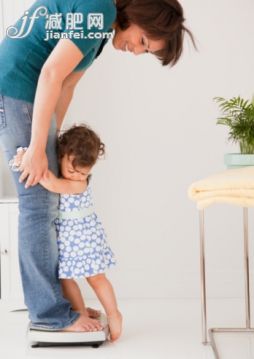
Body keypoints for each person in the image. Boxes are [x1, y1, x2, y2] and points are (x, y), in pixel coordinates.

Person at [0, 0, 195, 332]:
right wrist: (36, 147)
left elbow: (66, 85)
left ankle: (58, 306)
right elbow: (50, 73)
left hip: (24, 90)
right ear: (136, 16)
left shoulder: (101, 29)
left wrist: (51, 145)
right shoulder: (100, 9)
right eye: (144, 42)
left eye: (145, 52)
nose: (136, 51)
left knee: (46, 198)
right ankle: (50, 314)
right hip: (18, 87)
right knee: (37, 201)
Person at [12, 124, 122, 341]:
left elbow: (51, 184)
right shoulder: (67, 172)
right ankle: (79, 313)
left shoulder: (78, 185)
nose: (77, 176)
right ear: (60, 156)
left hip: (84, 239)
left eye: (84, 172)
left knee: (96, 277)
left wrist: (28, 161)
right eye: (72, 170)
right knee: (65, 278)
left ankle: (114, 313)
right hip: (67, 240)